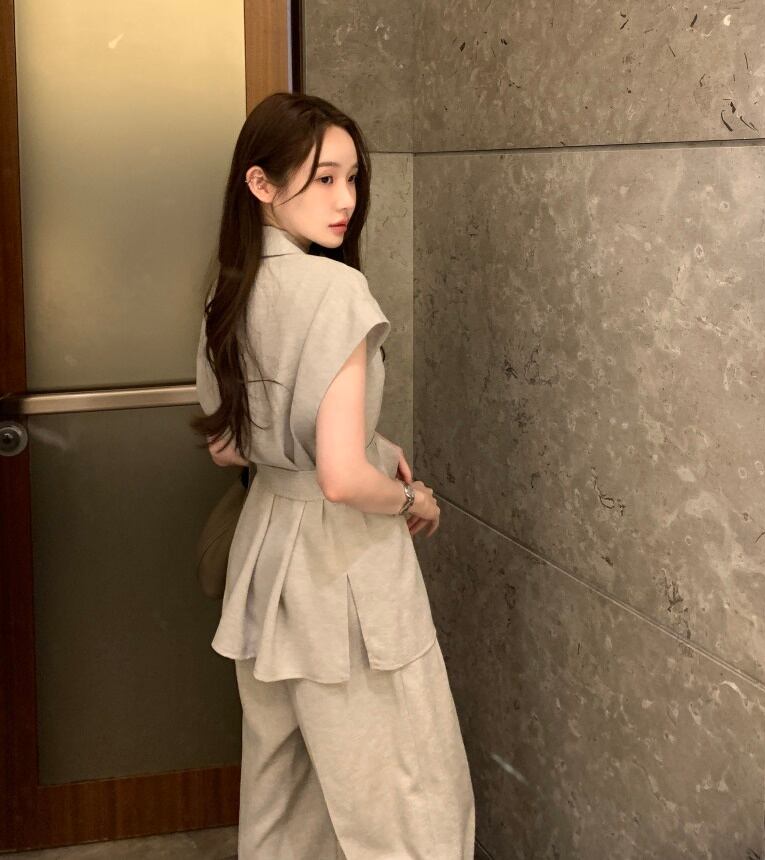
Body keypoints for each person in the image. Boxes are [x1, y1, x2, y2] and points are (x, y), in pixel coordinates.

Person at [192, 91, 475, 859]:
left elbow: (228, 448)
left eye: (352, 179)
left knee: (288, 798)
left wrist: (363, 439)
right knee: (410, 797)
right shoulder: (335, 290)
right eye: (323, 179)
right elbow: (343, 480)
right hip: (340, 568)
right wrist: (412, 496)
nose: (346, 199)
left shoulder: (231, 286)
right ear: (260, 183)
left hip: (268, 560)